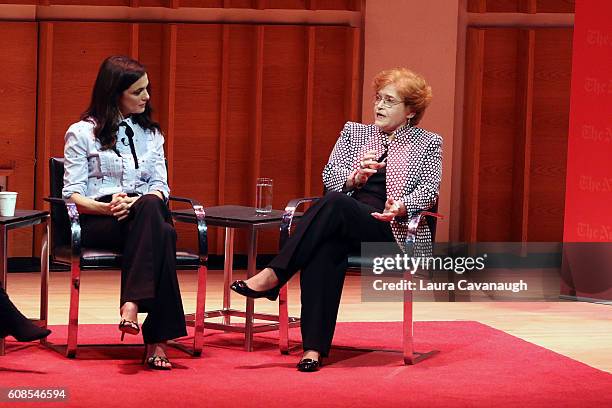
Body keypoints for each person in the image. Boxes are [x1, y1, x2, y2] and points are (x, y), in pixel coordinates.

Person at [231, 67, 442, 372]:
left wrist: (402, 207)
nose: (379, 106)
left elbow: (429, 190)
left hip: (390, 232)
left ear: (410, 111)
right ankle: (313, 350)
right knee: (326, 242)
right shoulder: (354, 133)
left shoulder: (427, 142)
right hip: (345, 221)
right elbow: (330, 176)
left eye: (389, 101)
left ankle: (275, 274)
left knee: (332, 204)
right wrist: (354, 178)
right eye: (378, 98)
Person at [62, 56, 186, 370]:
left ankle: (132, 303)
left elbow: (160, 185)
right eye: (137, 92)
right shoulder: (81, 133)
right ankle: (156, 341)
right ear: (115, 93)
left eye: (147, 90)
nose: (146, 97)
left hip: (143, 213)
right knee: (164, 233)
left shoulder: (152, 134)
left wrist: (139, 200)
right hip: (102, 218)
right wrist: (105, 207)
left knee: (150, 208)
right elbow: (72, 194)